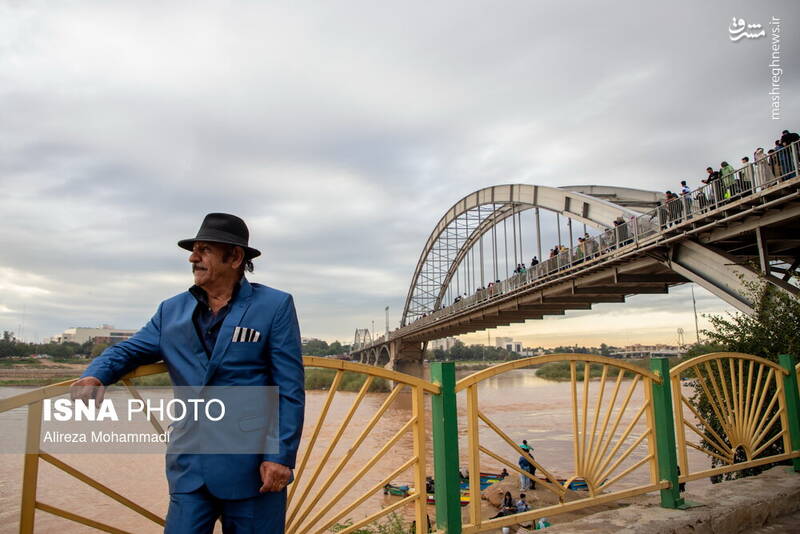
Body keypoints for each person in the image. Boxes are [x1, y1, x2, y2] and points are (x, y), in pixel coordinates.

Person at [71, 213, 305, 534]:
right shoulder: (171, 310)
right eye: (194, 250)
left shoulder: (274, 306)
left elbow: (289, 388)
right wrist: (95, 375)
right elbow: (128, 349)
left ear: (235, 257)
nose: (193, 258)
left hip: (255, 469)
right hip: (189, 466)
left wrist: (281, 456)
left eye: (204, 250)